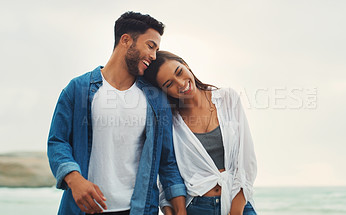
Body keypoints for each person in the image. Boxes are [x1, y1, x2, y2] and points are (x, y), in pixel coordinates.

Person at [47, 12, 187, 215]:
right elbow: (57, 141)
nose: (154, 56)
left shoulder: (155, 99)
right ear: (126, 40)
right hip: (82, 209)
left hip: (138, 210)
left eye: (156, 49)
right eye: (150, 46)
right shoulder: (77, 89)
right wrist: (74, 178)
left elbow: (167, 162)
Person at [144, 51, 257, 215]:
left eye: (179, 72)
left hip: (237, 203)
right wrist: (170, 210)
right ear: (164, 91)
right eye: (169, 84)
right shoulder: (170, 122)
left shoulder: (228, 98)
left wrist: (236, 211)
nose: (181, 83)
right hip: (196, 207)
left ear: (185, 65)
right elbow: (168, 172)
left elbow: (247, 162)